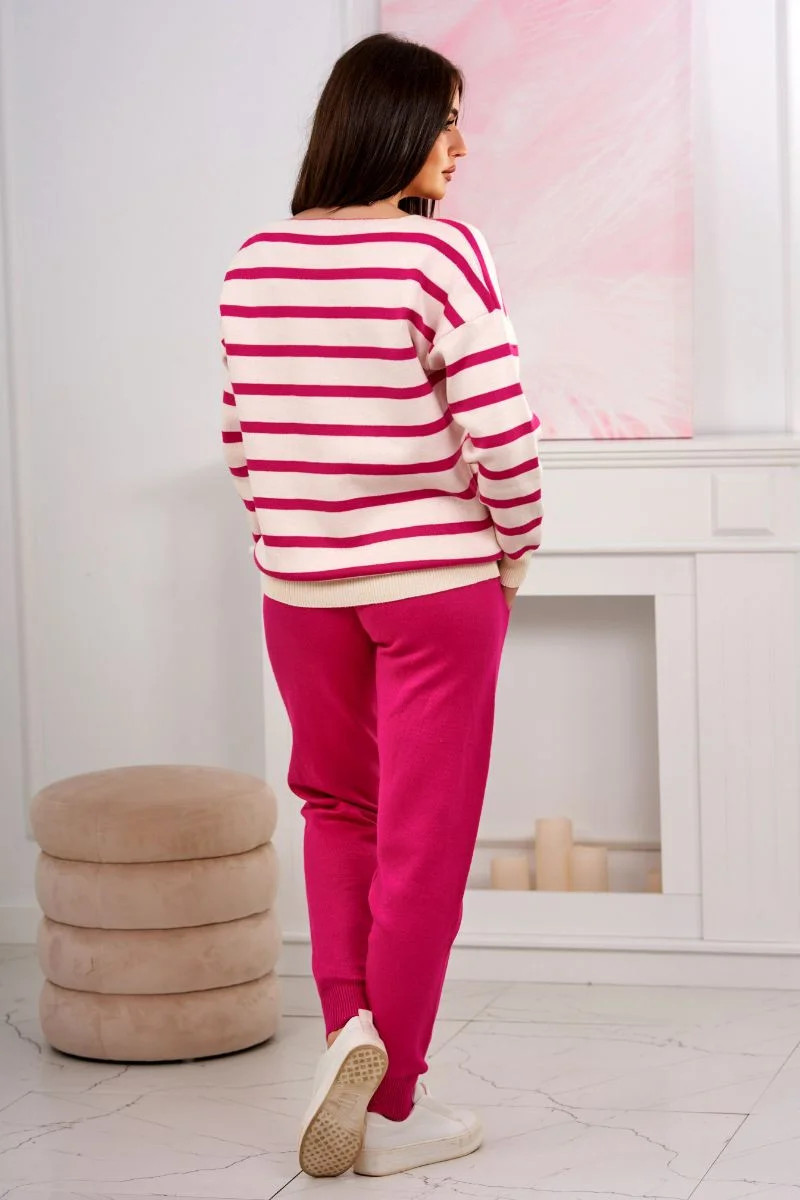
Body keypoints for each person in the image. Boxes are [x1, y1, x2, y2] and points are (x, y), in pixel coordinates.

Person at [218, 30, 544, 1180]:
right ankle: (393, 1103)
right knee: (423, 838)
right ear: (391, 123)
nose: (460, 144)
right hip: (435, 587)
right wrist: (514, 552)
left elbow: (243, 445)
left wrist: (294, 546)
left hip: (300, 590)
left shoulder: (253, 263)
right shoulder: (438, 253)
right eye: (445, 119)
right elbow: (503, 437)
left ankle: (344, 1043)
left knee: (334, 809)